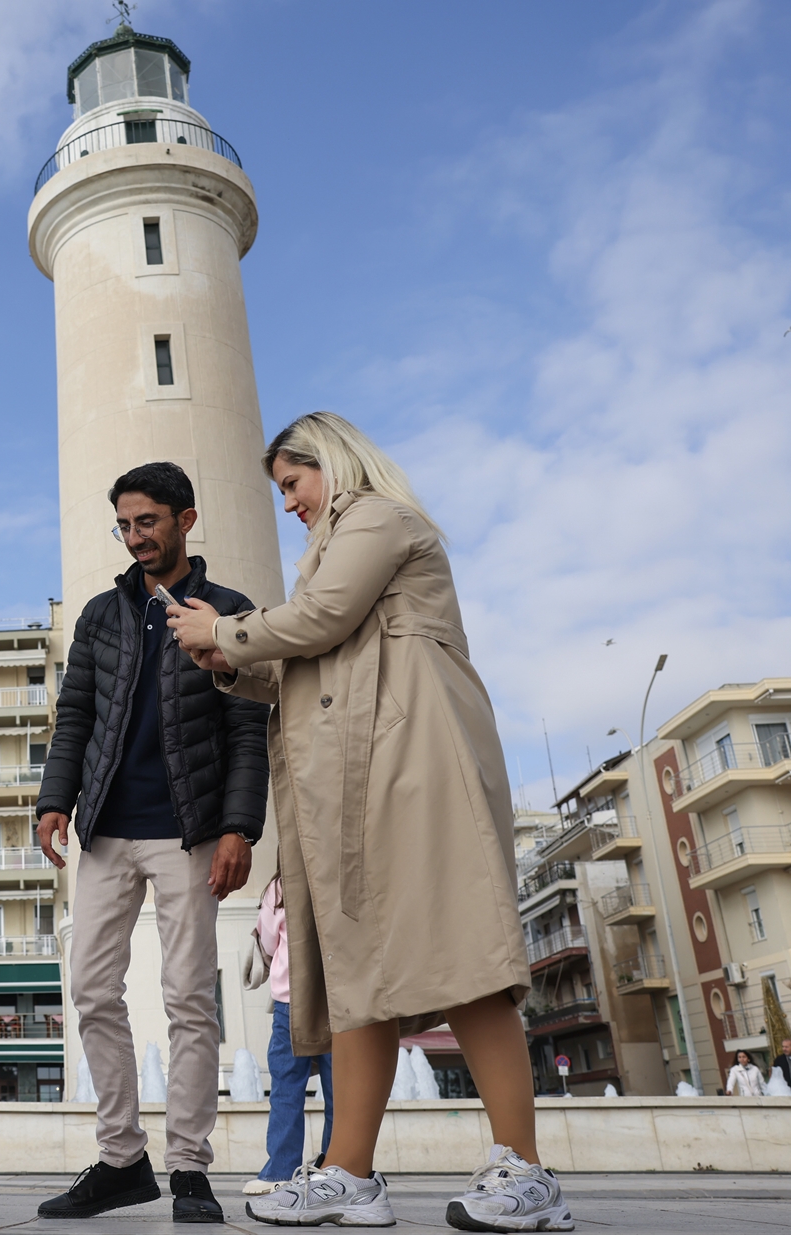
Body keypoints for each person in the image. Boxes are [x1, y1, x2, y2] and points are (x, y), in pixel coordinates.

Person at [168, 413, 572, 1233]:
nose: (287, 503)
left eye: (293, 483)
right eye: (279, 489)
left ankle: (527, 1171)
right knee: (358, 974)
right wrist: (229, 662)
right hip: (361, 779)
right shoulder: (338, 546)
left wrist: (225, 631)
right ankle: (348, 1171)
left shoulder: (379, 520)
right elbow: (316, 657)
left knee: (464, 957)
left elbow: (321, 619)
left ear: (335, 462)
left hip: (417, 765)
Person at [32, 461, 271, 1225]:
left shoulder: (229, 609)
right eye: (125, 525)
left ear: (185, 520)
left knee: (189, 998)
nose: (136, 537)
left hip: (190, 829)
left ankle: (191, 1169)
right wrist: (53, 800)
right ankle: (122, 1158)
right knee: (93, 990)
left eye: (148, 521)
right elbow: (75, 716)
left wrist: (240, 826)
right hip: (104, 829)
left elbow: (247, 728)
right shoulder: (100, 614)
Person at [246, 874, 334, 1196]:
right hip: (339, 1002)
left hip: (291, 1002)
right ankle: (334, 1168)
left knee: (286, 1088)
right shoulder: (341, 873)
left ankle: (280, 1171)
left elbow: (268, 942)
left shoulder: (280, 887)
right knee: (339, 1091)